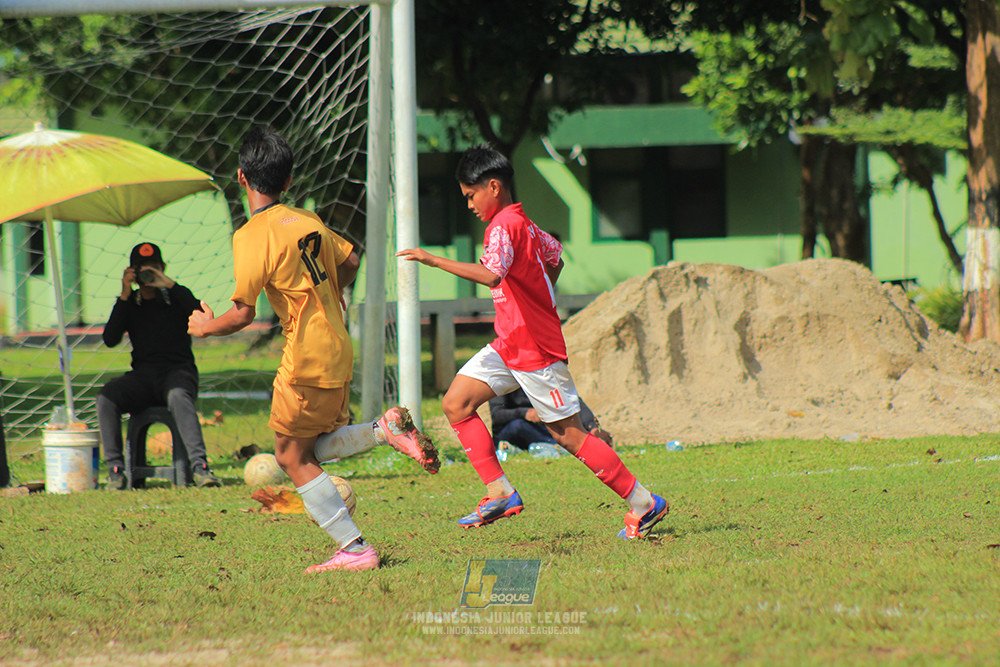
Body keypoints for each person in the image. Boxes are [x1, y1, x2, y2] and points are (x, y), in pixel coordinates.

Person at [188, 125, 439, 573]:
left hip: (305, 354)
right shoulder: (307, 219)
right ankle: (383, 430)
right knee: (311, 448)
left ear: (241, 177)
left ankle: (354, 548)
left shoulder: (251, 235)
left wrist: (205, 328)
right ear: (288, 181)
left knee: (289, 457)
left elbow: (242, 314)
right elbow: (351, 261)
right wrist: (330, 290)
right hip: (338, 346)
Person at [397, 144, 668, 540]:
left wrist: (434, 260)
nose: (469, 205)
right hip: (511, 343)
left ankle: (643, 502)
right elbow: (556, 257)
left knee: (568, 435)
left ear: (493, 187)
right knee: (456, 403)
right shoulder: (525, 223)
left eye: (471, 195)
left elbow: (492, 274)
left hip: (534, 348)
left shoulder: (502, 225)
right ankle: (500, 492)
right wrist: (537, 298)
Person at [97, 242, 221, 490]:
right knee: (107, 396)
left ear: (163, 268)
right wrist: (124, 293)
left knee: (178, 396)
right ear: (133, 272)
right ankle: (115, 471)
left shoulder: (176, 298)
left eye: (154, 268)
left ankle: (200, 468)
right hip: (143, 378)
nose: (148, 274)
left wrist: (169, 284)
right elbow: (109, 339)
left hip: (178, 373)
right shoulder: (131, 303)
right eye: (143, 269)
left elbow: (202, 316)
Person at [489, 387, 613, 452]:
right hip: (515, 428)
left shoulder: (542, 373)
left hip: (544, 427)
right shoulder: (502, 377)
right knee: (518, 426)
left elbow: (572, 400)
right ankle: (564, 446)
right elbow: (497, 415)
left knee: (568, 424)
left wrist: (592, 427)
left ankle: (586, 441)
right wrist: (525, 413)